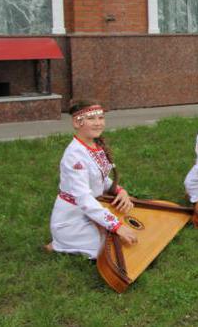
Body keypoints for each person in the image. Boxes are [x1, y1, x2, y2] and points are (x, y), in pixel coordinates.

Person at [46, 100, 137, 258]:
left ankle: (68, 242)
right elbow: (84, 199)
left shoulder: (95, 146)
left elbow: (100, 179)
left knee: (128, 239)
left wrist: (120, 190)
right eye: (91, 119)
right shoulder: (74, 156)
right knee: (113, 248)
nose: (98, 123)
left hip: (92, 209)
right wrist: (116, 226)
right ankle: (60, 244)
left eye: (101, 118)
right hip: (72, 220)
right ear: (77, 122)